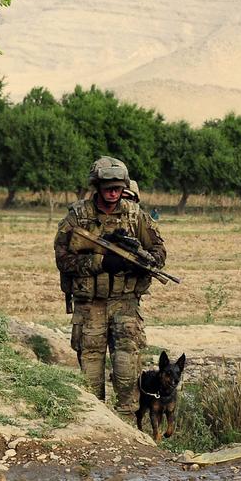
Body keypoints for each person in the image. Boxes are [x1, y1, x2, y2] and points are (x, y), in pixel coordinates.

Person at [55, 156, 166, 414]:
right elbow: (63, 259)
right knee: (90, 378)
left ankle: (128, 431)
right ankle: (95, 429)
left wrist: (140, 262)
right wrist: (102, 263)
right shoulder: (77, 217)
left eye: (118, 187)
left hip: (124, 304)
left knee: (127, 371)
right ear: (97, 186)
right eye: (107, 187)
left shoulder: (134, 215)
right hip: (89, 306)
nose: (113, 192)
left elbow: (159, 251)